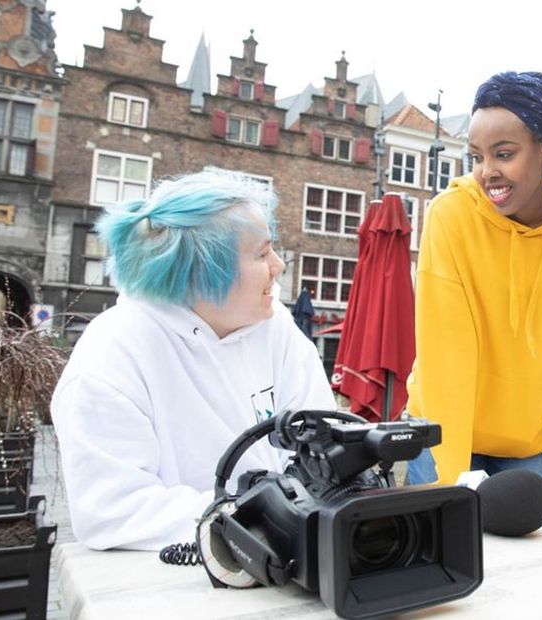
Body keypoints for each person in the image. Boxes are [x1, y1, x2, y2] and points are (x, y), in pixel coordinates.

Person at [51, 171, 337, 551]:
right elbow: (112, 508)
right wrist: (269, 517)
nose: (278, 266)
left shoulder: (275, 328)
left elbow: (322, 439)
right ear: (206, 269)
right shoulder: (113, 355)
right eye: (261, 253)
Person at [406, 71, 542, 485]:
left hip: (530, 443)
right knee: (445, 547)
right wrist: (450, 484)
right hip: (443, 433)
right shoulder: (450, 215)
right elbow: (447, 357)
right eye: (477, 157)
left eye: (504, 153)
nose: (487, 172)